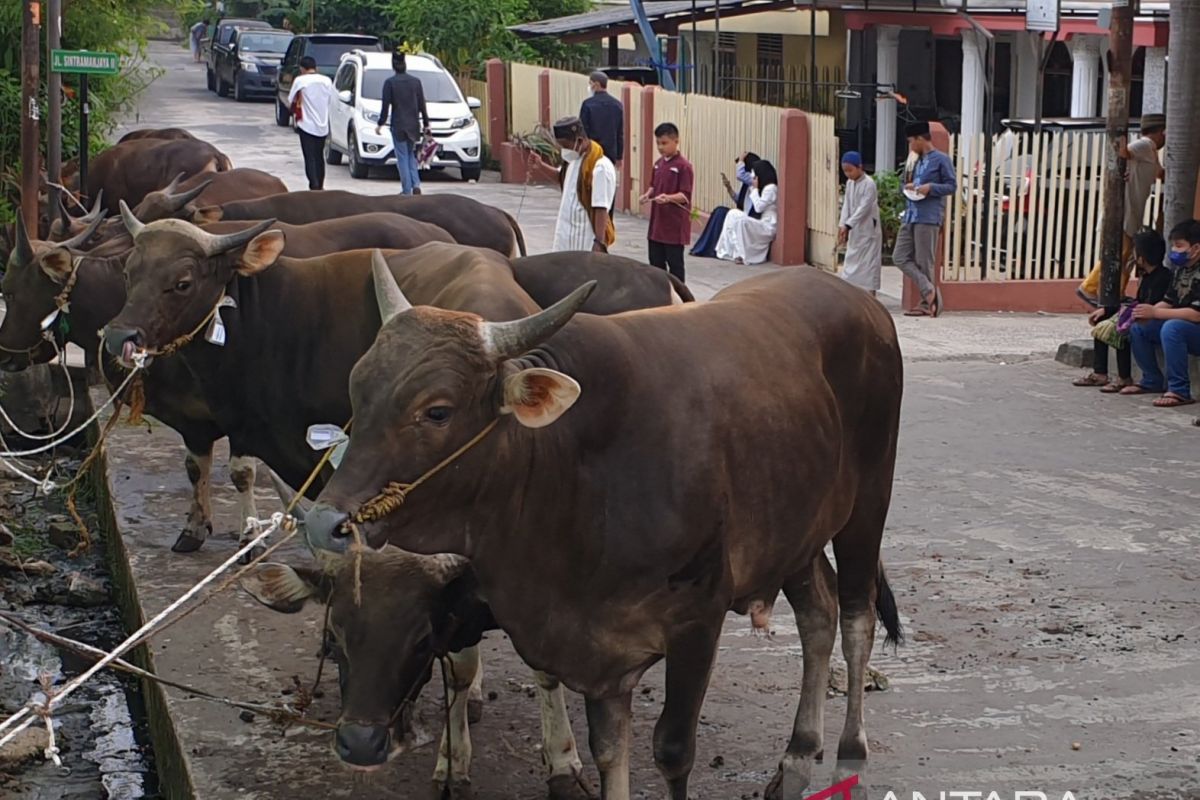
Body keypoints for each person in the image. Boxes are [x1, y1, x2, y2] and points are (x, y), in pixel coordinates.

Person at [1077, 114, 1167, 307]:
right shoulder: (1144, 145)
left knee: (1126, 256)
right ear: (1162, 132)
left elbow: (1161, 173)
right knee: (1119, 252)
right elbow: (1123, 151)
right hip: (1124, 211)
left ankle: (1117, 292)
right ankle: (1089, 288)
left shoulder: (1150, 151)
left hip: (1133, 210)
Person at [1072, 230, 1171, 392]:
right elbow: (1137, 301)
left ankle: (1124, 377)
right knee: (1102, 321)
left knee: (1121, 328)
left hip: (1152, 317)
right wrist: (1109, 309)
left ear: (1141, 258)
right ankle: (1100, 373)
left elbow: (1151, 306)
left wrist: (1124, 315)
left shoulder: (1164, 277)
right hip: (1141, 312)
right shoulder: (1146, 276)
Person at [1121, 219, 1200, 407]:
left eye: (1179, 246)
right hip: (1187, 328)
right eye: (1173, 246)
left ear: (1196, 248)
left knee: (1172, 328)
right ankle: (1151, 380)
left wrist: (1155, 313)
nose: (1175, 251)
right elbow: (1169, 301)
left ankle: (1179, 390)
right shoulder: (1181, 270)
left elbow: (1196, 314)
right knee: (1139, 327)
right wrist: (1144, 312)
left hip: (1193, 328)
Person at [895, 121, 956, 317]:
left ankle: (927, 303)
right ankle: (928, 289)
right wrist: (909, 187)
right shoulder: (916, 161)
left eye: (912, 141)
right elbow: (904, 183)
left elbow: (951, 186)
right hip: (911, 213)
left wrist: (930, 188)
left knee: (924, 260)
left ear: (921, 139)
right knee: (899, 256)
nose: (910, 145)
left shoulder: (941, 160)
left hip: (928, 216)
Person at [638, 123, 694, 283]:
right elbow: (653, 186)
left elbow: (685, 195)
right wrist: (647, 195)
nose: (660, 147)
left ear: (676, 141)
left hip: (674, 227)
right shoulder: (658, 164)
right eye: (658, 143)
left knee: (675, 265)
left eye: (664, 143)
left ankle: (680, 297)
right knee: (655, 264)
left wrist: (669, 198)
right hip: (657, 225)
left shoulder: (684, 167)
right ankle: (660, 295)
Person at [551, 116, 616, 253]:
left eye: (565, 146)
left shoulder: (600, 167)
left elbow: (600, 207)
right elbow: (562, 178)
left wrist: (599, 243)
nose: (564, 150)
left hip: (584, 240)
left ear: (579, 141)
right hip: (566, 237)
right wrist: (540, 166)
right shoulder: (574, 159)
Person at [376, 51, 430, 196]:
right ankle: (416, 184)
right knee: (411, 155)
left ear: (393, 65)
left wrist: (380, 124)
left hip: (398, 125)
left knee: (402, 158)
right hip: (413, 125)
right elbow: (421, 104)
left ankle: (407, 190)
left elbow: (385, 106)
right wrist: (426, 123)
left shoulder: (390, 83)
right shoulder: (415, 82)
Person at [692, 151, 759, 258]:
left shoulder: (755, 180)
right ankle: (706, 247)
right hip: (741, 215)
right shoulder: (747, 186)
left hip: (748, 219)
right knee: (719, 211)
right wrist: (729, 188)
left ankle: (712, 248)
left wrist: (741, 159)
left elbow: (740, 175)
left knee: (721, 213)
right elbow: (740, 201)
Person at [715, 160, 778, 265]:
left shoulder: (771, 188)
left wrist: (754, 190)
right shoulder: (762, 188)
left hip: (767, 226)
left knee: (741, 221)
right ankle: (728, 251)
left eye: (754, 178)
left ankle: (742, 255)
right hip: (760, 222)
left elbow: (759, 208)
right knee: (732, 214)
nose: (753, 180)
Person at [837, 151, 883, 295]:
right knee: (851, 260)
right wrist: (842, 224)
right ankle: (852, 293)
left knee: (869, 264)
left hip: (868, 230)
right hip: (855, 230)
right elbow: (847, 205)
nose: (848, 174)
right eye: (845, 171)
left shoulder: (869, 184)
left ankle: (870, 295)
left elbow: (864, 207)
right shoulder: (850, 183)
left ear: (860, 167)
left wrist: (848, 224)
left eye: (850, 170)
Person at [287, 55, 334, 191]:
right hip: (323, 125)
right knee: (319, 156)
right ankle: (320, 184)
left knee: (309, 157)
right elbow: (331, 99)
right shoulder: (326, 81)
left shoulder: (300, 81)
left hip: (306, 125)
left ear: (302, 69)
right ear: (315, 68)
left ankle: (313, 185)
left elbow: (290, 100)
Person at [579, 71, 623, 171]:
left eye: (590, 83)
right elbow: (620, 132)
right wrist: (619, 156)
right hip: (610, 152)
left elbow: (583, 131)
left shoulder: (587, 104)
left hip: (592, 151)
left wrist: (581, 151)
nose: (589, 86)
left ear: (596, 84)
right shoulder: (617, 105)